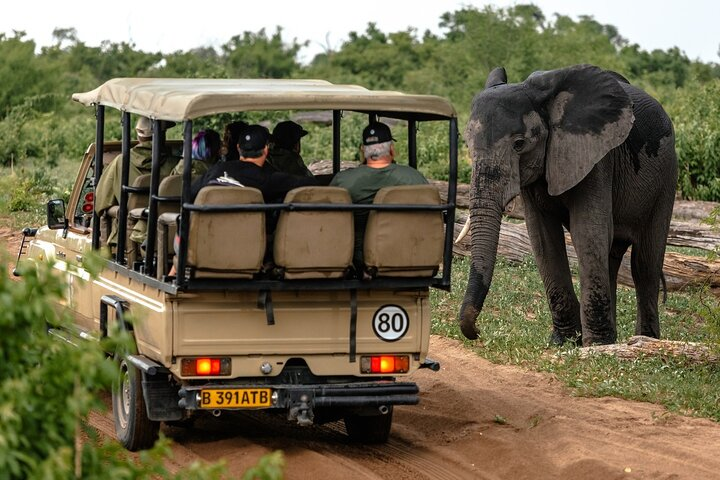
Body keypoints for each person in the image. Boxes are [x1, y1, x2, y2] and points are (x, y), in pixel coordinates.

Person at [329, 121, 428, 268]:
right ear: (392, 150)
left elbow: (326, 219)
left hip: (358, 259)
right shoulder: (415, 178)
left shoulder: (343, 180)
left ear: (363, 150)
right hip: (409, 254)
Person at [95, 116, 179, 246]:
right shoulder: (176, 164)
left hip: (131, 235)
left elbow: (101, 201)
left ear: (139, 136)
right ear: (162, 135)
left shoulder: (121, 161)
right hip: (171, 232)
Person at [191, 124, 317, 202]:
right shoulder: (270, 179)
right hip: (251, 242)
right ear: (266, 149)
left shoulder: (215, 170)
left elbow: (190, 196)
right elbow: (311, 183)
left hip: (207, 238)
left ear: (239, 148)